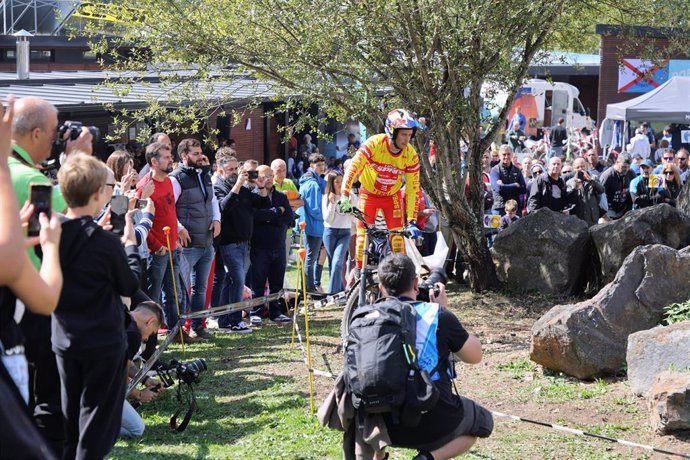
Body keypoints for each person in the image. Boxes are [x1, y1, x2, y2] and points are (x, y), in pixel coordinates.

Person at [10, 96, 91, 453]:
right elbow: (82, 228)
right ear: (37, 133)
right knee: (47, 393)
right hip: (29, 299)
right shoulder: (32, 181)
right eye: (55, 132)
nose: (57, 139)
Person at [53, 153, 141, 459]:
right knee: (97, 422)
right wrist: (129, 246)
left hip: (64, 338)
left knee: (70, 417)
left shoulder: (52, 233)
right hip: (102, 341)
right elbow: (129, 285)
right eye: (109, 185)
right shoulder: (105, 243)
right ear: (97, 194)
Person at [374, 254, 493, 460]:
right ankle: (427, 458)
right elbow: (475, 356)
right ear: (415, 282)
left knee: (376, 394)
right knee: (480, 423)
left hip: (379, 424)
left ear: (381, 288)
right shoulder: (436, 316)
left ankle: (378, 455)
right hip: (431, 420)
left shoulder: (366, 317)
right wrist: (443, 311)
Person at [340, 108, 422, 269]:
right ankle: (358, 276)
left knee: (398, 241)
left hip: (392, 197)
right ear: (392, 131)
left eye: (410, 134)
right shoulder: (374, 143)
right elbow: (353, 167)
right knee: (362, 240)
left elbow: (413, 189)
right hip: (368, 195)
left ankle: (400, 281)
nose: (407, 139)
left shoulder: (411, 155)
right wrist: (344, 194)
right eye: (404, 134)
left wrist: (412, 221)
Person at [136, 143, 197, 342]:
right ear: (153, 162)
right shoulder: (145, 186)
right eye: (166, 157)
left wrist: (176, 237)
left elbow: (170, 213)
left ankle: (177, 333)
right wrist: (156, 245)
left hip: (172, 247)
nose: (171, 160)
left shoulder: (169, 182)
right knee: (152, 298)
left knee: (174, 294)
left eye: (170, 156)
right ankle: (150, 340)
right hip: (157, 252)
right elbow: (141, 219)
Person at [170, 138, 221, 340]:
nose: (200, 157)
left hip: (207, 241)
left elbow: (213, 199)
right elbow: (169, 208)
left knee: (200, 288)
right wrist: (179, 228)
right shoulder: (176, 179)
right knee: (182, 289)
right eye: (195, 154)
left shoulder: (205, 175)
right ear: (183, 155)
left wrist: (217, 219)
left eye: (200, 153)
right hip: (188, 244)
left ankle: (198, 326)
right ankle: (179, 330)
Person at [214, 160, 258, 333]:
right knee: (238, 280)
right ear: (221, 171)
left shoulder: (244, 188)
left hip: (244, 243)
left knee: (230, 282)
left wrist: (259, 186)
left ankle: (224, 321)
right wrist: (238, 185)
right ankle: (235, 320)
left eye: (235, 169)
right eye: (230, 169)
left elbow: (260, 204)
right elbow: (224, 207)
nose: (234, 172)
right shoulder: (219, 187)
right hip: (229, 244)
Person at [248, 165, 293, 323]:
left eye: (270, 175)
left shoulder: (281, 196)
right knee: (258, 282)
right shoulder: (253, 195)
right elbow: (254, 216)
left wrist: (269, 218)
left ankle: (275, 312)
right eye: (264, 175)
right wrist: (275, 213)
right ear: (257, 177)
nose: (268, 179)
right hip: (260, 246)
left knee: (277, 282)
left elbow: (289, 218)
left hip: (278, 245)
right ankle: (256, 312)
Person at [120, 301, 165, 439]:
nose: (146, 338)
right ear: (150, 321)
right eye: (151, 333)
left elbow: (125, 364)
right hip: (94, 386)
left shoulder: (122, 314)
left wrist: (145, 380)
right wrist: (138, 394)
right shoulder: (133, 334)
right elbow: (118, 371)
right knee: (137, 429)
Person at [299, 153, 328, 292]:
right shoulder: (312, 185)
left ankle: (308, 288)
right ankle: (309, 289)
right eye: (318, 165)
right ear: (311, 166)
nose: (322, 167)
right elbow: (315, 209)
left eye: (323, 164)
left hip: (310, 225)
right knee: (311, 259)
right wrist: (326, 217)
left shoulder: (312, 181)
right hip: (314, 226)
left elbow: (325, 186)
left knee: (310, 258)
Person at [322, 171, 351, 294]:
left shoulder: (350, 196)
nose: (340, 184)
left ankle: (332, 293)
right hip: (330, 232)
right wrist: (332, 204)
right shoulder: (326, 197)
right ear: (331, 183)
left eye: (341, 181)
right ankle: (340, 290)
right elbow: (328, 219)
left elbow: (354, 217)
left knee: (338, 262)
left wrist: (350, 208)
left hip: (345, 232)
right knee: (333, 264)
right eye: (337, 182)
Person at [271, 158, 303, 262]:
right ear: (272, 171)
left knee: (283, 263)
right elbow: (272, 206)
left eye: (284, 170)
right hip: (273, 229)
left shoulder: (289, 183)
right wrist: (290, 204)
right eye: (278, 171)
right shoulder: (269, 184)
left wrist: (284, 204)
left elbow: (301, 202)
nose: (282, 173)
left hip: (288, 229)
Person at [566, 157, 606, 227]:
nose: (580, 169)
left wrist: (590, 180)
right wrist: (575, 188)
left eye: (582, 166)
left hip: (593, 218)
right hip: (578, 219)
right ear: (573, 169)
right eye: (577, 167)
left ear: (587, 166)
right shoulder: (570, 182)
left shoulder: (594, 178)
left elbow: (602, 190)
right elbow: (569, 199)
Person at [489, 144, 526, 215]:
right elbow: (498, 188)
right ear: (499, 156)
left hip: (515, 208)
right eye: (504, 154)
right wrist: (515, 185)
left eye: (508, 154)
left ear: (512, 155)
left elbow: (523, 189)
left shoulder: (517, 170)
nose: (506, 157)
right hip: (500, 208)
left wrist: (504, 185)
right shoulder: (495, 170)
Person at [600, 154, 636, 220]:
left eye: (628, 167)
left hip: (624, 210)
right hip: (609, 211)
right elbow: (599, 196)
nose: (626, 170)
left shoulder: (631, 173)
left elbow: (635, 190)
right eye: (624, 167)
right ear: (617, 162)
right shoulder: (607, 176)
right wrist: (603, 215)